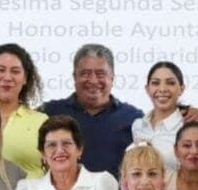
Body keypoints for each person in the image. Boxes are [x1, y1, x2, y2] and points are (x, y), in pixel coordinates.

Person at [41, 44, 144, 177]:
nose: (93, 80)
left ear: (112, 77)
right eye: (85, 73)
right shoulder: (49, 112)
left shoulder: (133, 118)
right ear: (74, 77)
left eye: (100, 74)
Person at [0, 43, 48, 178]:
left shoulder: (42, 122)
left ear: (25, 78)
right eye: (0, 70)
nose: (7, 78)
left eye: (15, 71)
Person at [130, 61, 186, 172]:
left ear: (181, 89)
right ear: (147, 89)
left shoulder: (188, 126)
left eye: (170, 83)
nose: (162, 89)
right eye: (155, 83)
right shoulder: (138, 125)